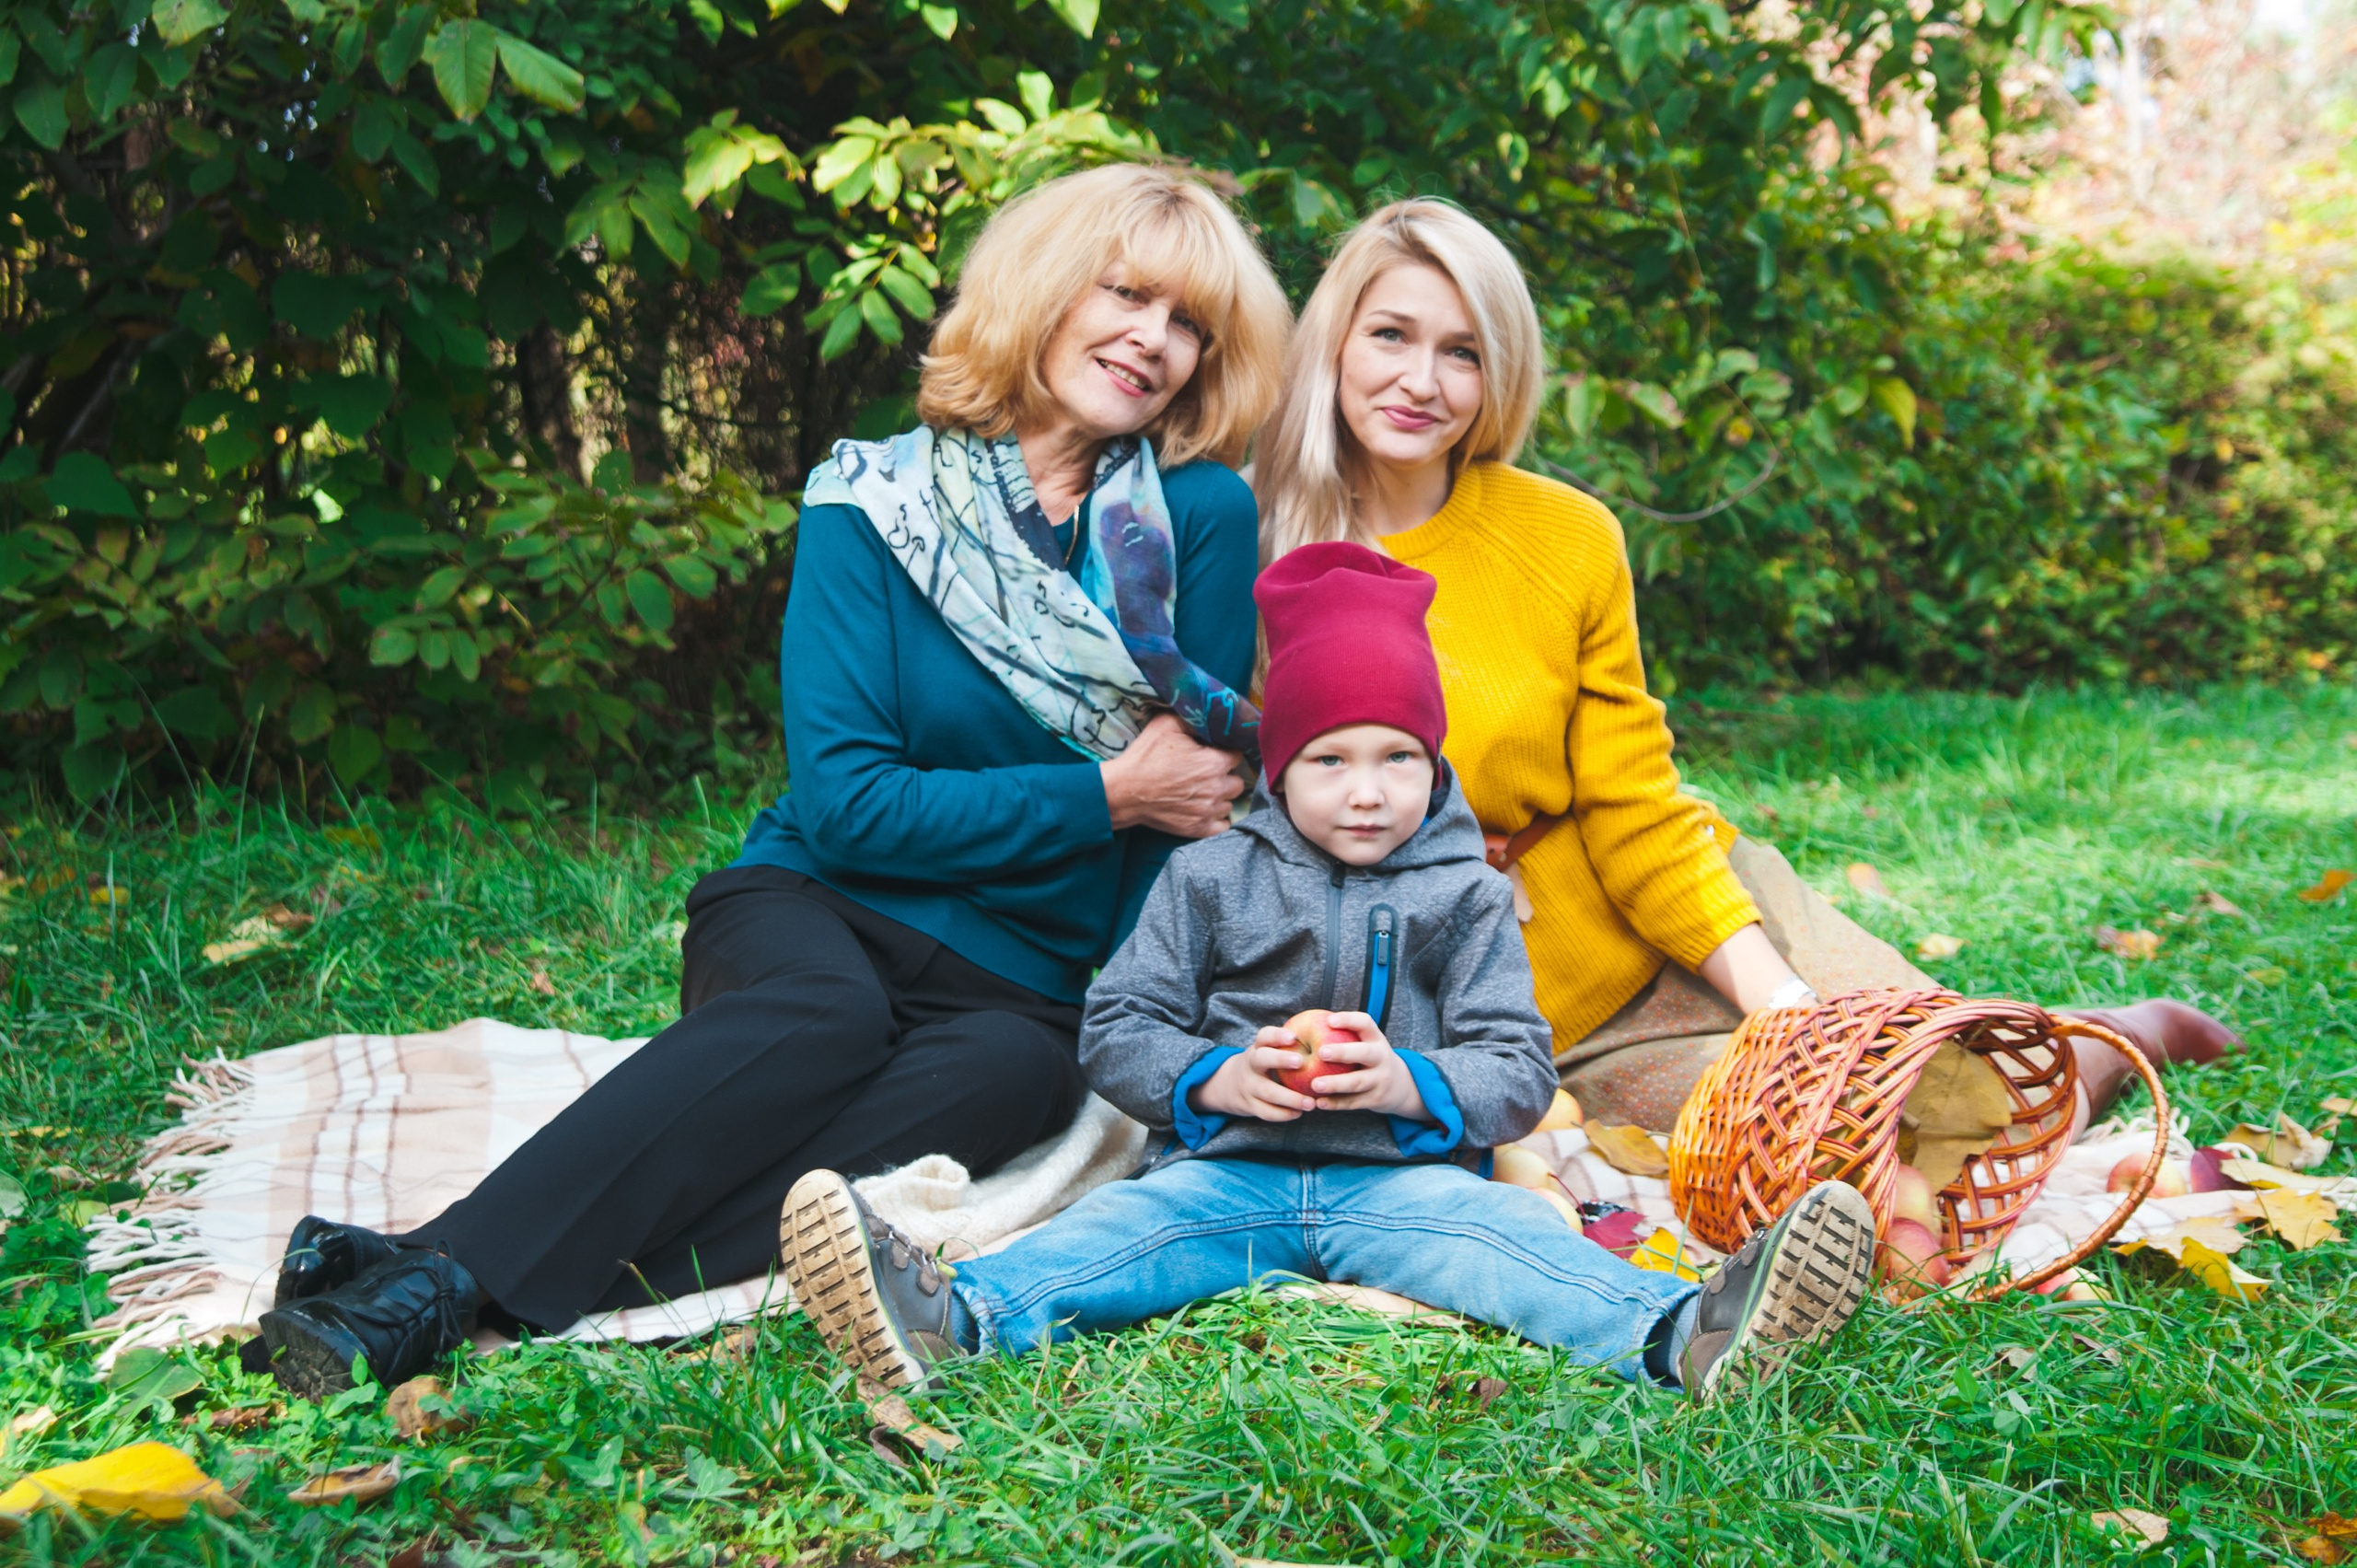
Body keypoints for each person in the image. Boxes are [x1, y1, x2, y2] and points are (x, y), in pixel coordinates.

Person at [249, 163, 1294, 1398]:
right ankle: (434, 1286)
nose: (1153, 342)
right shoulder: (872, 500)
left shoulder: (1201, 519)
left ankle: (425, 1261)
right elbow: (855, 805)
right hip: (817, 902)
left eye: (1189, 325)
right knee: (825, 1016)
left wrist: (1130, 1018)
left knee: (1021, 1082)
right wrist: (1106, 793)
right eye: (1127, 294)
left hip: (1019, 985)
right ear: (1046, 288)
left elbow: (1184, 828)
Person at [780, 542, 1879, 1401]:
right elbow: (1117, 1023)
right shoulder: (1208, 878)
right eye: (1330, 759)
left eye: (1400, 756)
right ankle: (947, 1317)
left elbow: (1514, 1067)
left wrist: (1406, 1082)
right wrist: (1214, 1077)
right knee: (1111, 1241)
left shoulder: (1467, 896)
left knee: (1512, 1250)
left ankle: (1692, 1329)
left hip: (1403, 1187)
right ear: (1279, 767)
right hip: (1227, 1179)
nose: (1368, 791)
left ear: (1435, 762)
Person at [1251, 199, 2239, 1135]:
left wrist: (1785, 1009)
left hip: (1690, 905)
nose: (1421, 381)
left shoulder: (1563, 536)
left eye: (1461, 352)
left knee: (1947, 1087)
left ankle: (2109, 1037)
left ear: (1497, 373)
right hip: (1521, 1015)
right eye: (1390, 335)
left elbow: (1632, 802)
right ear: (1334, 340)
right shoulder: (1246, 540)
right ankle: (2056, 1049)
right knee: (1851, 1142)